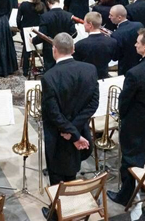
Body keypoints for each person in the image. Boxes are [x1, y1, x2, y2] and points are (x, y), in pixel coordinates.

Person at [108, 29, 145, 206]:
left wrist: (122, 115)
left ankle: (125, 196)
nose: (135, 44)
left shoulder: (134, 72)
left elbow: (124, 101)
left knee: (130, 158)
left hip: (134, 121)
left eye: (138, 42)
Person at [41, 33, 99, 195]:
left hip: (58, 137)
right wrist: (75, 131)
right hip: (81, 131)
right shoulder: (90, 69)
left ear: (54, 49)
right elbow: (93, 104)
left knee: (58, 179)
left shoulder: (49, 77)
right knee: (72, 171)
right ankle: (71, 209)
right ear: (73, 49)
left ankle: (59, 213)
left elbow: (53, 113)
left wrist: (70, 132)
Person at [33, 0, 75, 71]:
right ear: (58, 1)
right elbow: (74, 33)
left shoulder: (45, 17)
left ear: (48, 3)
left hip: (50, 49)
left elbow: (42, 35)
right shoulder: (69, 15)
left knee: (50, 72)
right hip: (66, 48)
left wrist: (33, 40)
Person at [73, 12, 118, 79]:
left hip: (86, 78)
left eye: (85, 22)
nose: (83, 24)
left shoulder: (80, 45)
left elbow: (76, 63)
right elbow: (114, 57)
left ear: (90, 24)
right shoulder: (112, 42)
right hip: (104, 76)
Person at [16, 0, 46, 77]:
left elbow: (18, 19)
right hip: (38, 31)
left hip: (26, 30)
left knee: (26, 49)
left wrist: (20, 27)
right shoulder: (42, 5)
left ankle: (25, 70)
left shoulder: (24, 5)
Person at [110, 5, 144, 75]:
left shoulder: (116, 34)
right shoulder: (139, 25)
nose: (109, 17)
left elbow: (115, 57)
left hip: (125, 68)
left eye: (111, 15)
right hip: (140, 63)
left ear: (119, 17)